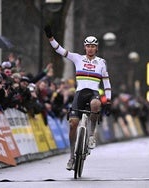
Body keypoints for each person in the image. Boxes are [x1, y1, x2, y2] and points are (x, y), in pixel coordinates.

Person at [44, 25, 112, 170]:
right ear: (85, 47)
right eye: (88, 46)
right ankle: (71, 157)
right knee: (73, 124)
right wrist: (51, 38)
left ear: (97, 48)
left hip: (93, 93)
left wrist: (109, 99)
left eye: (93, 46)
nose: (90, 49)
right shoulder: (77, 58)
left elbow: (106, 81)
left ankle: (92, 135)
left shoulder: (101, 62)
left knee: (95, 104)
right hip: (80, 93)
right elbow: (59, 50)